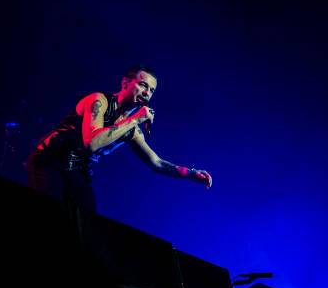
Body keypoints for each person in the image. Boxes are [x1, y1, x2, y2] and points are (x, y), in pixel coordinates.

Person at [27, 65, 212, 211]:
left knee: (87, 226)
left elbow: (156, 162)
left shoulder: (132, 128)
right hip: (51, 161)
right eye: (142, 85)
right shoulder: (99, 101)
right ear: (125, 83)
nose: (147, 92)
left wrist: (191, 173)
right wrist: (136, 119)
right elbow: (91, 143)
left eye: (152, 90)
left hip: (79, 172)